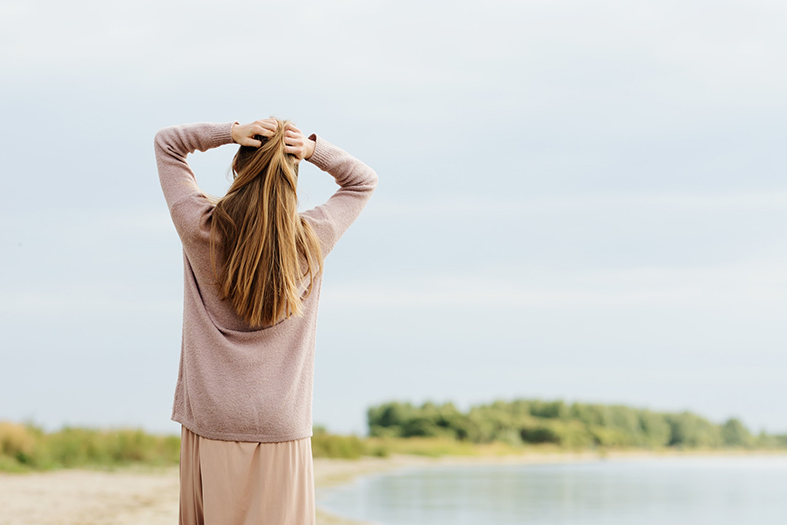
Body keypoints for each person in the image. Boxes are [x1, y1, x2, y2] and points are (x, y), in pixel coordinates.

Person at [153, 117, 379, 524]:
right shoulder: (311, 238)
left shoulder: (201, 228)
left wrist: (230, 132)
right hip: (282, 421)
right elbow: (362, 181)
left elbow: (168, 144)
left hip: (212, 414)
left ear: (238, 169)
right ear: (292, 179)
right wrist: (313, 150)